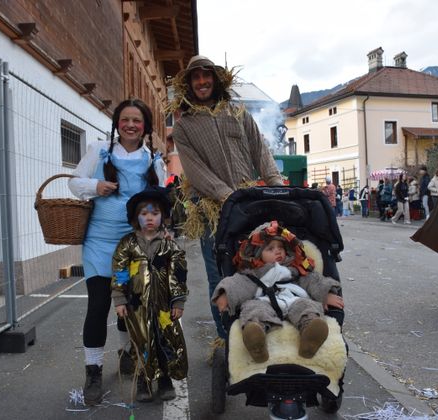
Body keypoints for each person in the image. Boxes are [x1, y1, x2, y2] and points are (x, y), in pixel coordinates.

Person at [170, 55, 284, 341]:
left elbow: (260, 151)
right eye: (196, 77)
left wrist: (277, 187)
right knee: (219, 275)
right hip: (211, 210)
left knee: (256, 268)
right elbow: (195, 171)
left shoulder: (238, 113)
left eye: (206, 75)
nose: (202, 81)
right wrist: (228, 196)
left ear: (216, 79)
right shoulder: (184, 126)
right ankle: (228, 340)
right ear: (189, 84)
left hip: (249, 204)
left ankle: (258, 329)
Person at [68, 98, 166, 405]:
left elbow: (162, 202)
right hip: (99, 243)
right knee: (98, 306)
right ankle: (93, 373)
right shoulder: (99, 150)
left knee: (132, 305)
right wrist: (95, 186)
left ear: (145, 127)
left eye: (137, 120)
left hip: (136, 245)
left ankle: (126, 355)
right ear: (117, 124)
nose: (131, 125)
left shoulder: (153, 160)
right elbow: (74, 183)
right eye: (125, 119)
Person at [211, 221, 344, 362]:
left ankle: (310, 335)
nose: (278, 251)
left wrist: (325, 293)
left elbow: (313, 280)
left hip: (294, 299)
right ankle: (256, 339)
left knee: (307, 307)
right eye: (270, 248)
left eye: (281, 247)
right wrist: (226, 294)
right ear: (258, 254)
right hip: (264, 301)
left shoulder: (295, 268)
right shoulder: (254, 273)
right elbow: (239, 283)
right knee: (253, 309)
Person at [112, 187, 188, 402]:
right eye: (144, 214)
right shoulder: (128, 243)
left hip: (164, 306)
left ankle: (165, 380)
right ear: (136, 218)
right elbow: (119, 271)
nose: (149, 218)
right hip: (136, 306)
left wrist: (178, 301)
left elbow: (178, 273)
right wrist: (119, 299)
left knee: (166, 341)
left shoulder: (168, 245)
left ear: (163, 216)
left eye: (154, 213)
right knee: (141, 342)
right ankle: (144, 381)